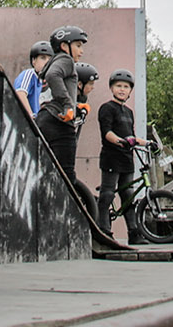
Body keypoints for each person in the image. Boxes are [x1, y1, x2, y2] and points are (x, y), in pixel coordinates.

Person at [35, 25, 89, 181]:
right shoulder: (66, 59)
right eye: (78, 46)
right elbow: (53, 76)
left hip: (45, 119)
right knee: (67, 176)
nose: (82, 51)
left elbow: (52, 92)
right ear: (65, 46)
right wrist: (67, 105)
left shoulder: (52, 62)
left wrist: (76, 106)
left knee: (49, 172)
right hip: (60, 123)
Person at [95, 69, 143, 236]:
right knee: (107, 193)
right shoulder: (107, 108)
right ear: (111, 88)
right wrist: (120, 141)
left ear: (130, 90)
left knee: (128, 195)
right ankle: (104, 230)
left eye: (126, 86)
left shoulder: (129, 112)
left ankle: (134, 233)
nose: (122, 89)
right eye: (118, 86)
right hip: (111, 158)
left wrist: (149, 143)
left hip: (127, 160)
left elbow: (133, 136)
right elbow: (107, 132)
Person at [13, 39, 53, 115]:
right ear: (34, 60)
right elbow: (20, 93)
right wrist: (31, 116)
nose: (47, 62)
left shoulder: (44, 81)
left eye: (50, 59)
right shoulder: (29, 74)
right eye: (43, 58)